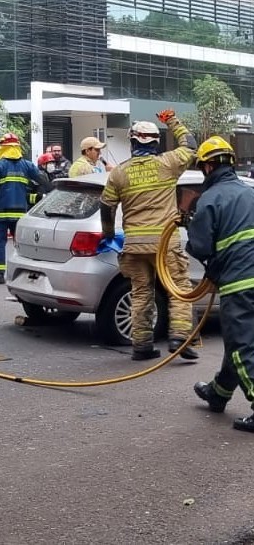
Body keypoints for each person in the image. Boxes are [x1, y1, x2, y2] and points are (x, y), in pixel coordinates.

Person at [100, 111, 198, 361]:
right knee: (179, 289)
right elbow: (191, 145)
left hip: (134, 246)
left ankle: (142, 345)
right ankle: (179, 337)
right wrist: (172, 121)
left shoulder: (119, 173)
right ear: (155, 143)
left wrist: (109, 234)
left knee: (142, 293)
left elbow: (106, 206)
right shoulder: (168, 163)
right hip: (166, 244)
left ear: (133, 142)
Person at [185, 137, 254, 432]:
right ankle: (219, 392)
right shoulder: (250, 193)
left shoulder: (210, 199)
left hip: (240, 281)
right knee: (241, 340)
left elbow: (199, 246)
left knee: (241, 345)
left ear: (208, 166)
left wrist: (190, 222)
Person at [0, 133, 49, 285]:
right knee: (22, 244)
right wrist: (45, 194)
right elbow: (44, 180)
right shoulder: (27, 165)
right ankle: (28, 274)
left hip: (2, 212)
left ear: (3, 148)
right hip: (21, 212)